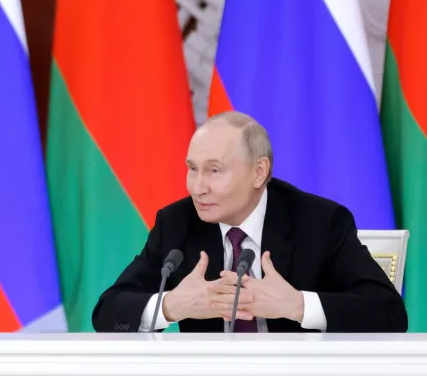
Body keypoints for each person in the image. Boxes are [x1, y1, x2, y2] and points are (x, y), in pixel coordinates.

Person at [92, 111, 407, 333]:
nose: (197, 186)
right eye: (192, 168)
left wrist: (297, 305)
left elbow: (389, 314)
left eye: (214, 171)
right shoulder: (177, 223)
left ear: (259, 172)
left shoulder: (320, 222)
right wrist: (171, 306)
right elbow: (107, 311)